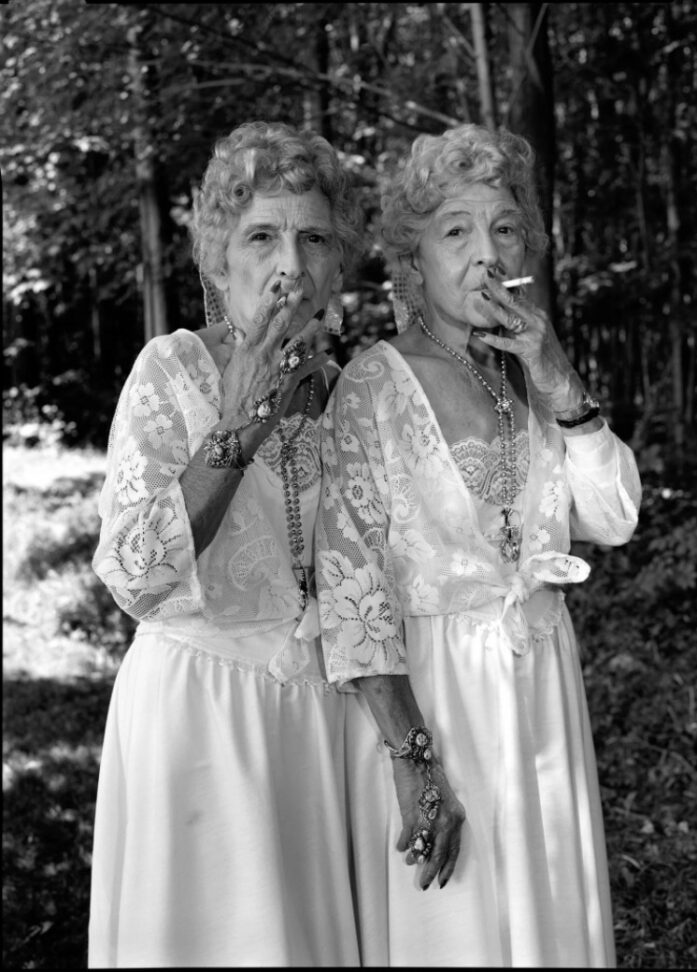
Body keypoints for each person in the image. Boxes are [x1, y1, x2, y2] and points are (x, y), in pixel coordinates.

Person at [315, 123, 642, 967]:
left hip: (541, 700)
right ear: (412, 260)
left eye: (504, 228)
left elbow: (614, 516)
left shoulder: (529, 381)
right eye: (454, 231)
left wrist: (558, 373)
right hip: (438, 706)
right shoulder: (372, 385)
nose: (484, 253)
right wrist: (415, 763)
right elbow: (353, 599)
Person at [88, 120, 362, 967]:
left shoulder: (346, 393)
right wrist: (238, 424)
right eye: (262, 237)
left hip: (311, 729)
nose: (290, 264)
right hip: (197, 719)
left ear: (336, 265)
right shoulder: (168, 371)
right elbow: (134, 577)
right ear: (217, 259)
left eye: (313, 238)